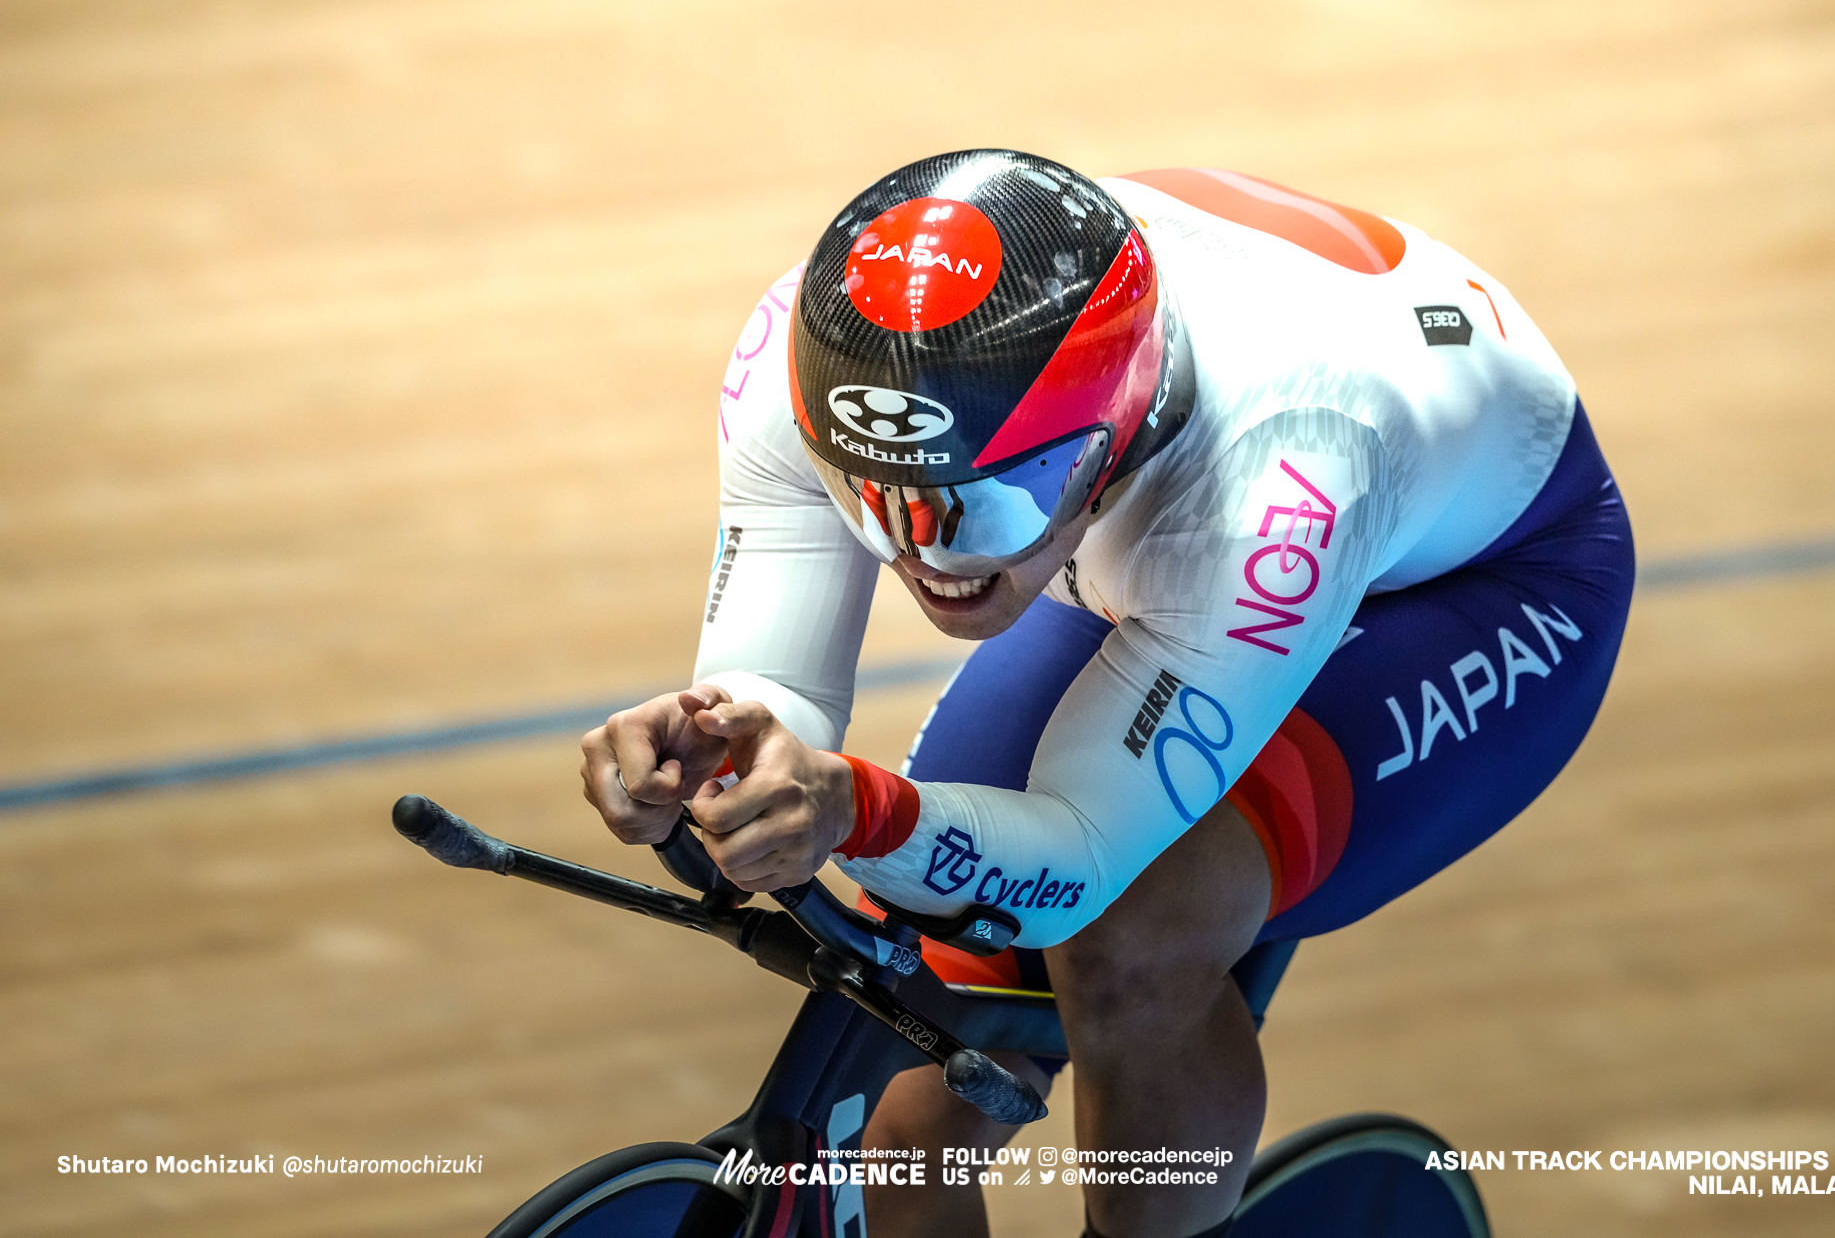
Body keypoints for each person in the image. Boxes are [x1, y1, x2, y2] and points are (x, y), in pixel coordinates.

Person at [580, 150, 1634, 1238]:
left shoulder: (1282, 474)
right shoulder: (829, 353)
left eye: (980, 504)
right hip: (1156, 556)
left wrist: (849, 805)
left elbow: (1078, 861)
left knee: (1130, 937)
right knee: (903, 1088)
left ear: (1108, 441)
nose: (927, 556)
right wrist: (726, 745)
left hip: (1479, 578)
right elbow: (778, 685)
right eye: (872, 500)